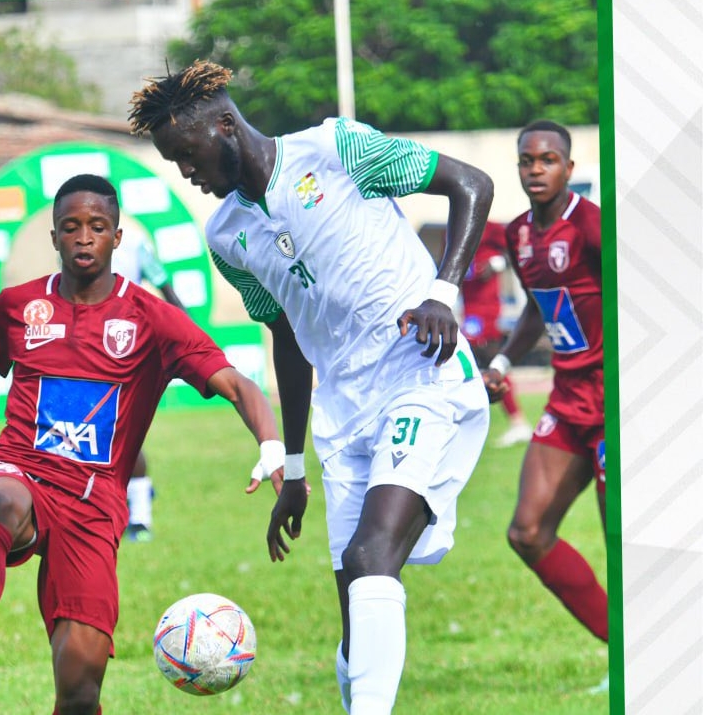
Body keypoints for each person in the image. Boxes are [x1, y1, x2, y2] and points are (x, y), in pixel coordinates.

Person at [130, 61, 493, 715]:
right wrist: (292, 465)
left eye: (186, 155)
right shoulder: (227, 239)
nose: (187, 173)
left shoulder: (336, 149)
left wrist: (444, 289)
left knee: (369, 552)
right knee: (356, 598)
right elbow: (289, 343)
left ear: (223, 125)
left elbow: (471, 184)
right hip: (342, 413)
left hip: (422, 375)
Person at [0, 173, 287, 711]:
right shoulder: (18, 306)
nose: (84, 237)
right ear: (53, 238)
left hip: (95, 504)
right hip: (21, 465)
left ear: (118, 238)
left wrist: (272, 445)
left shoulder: (154, 320)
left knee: (79, 690)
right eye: (71, 227)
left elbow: (236, 382)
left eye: (97, 227)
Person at [483, 121, 608, 648]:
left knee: (626, 546)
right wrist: (504, 364)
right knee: (527, 532)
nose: (536, 169)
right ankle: (621, 646)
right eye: (527, 160)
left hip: (613, 404)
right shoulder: (518, 234)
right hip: (567, 398)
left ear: (569, 169)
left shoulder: (593, 227)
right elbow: (537, 309)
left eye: (548, 159)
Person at [110, 229, 186, 542]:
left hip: (127, 348)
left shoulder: (135, 246)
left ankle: (140, 515)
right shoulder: (71, 245)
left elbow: (165, 286)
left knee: (124, 432)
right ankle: (128, 501)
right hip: (88, 349)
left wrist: (186, 333)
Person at [460, 221, 533, 448]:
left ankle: (518, 421)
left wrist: (496, 263)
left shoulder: (491, 228)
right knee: (472, 359)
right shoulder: (453, 227)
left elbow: (517, 252)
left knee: (486, 358)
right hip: (468, 308)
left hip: (486, 309)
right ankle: (513, 421)